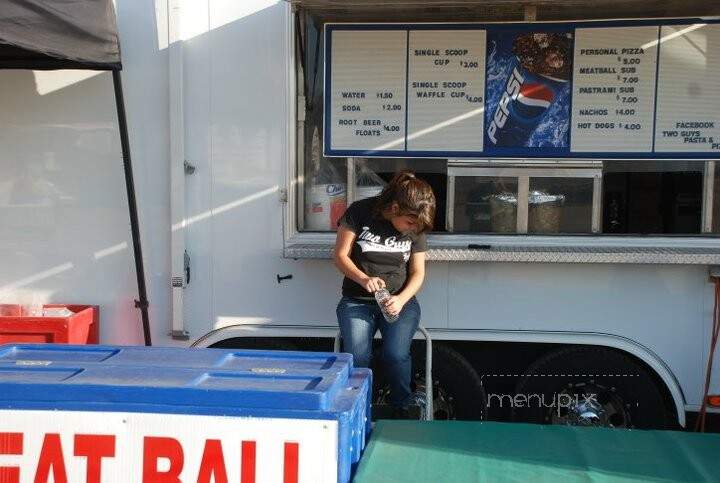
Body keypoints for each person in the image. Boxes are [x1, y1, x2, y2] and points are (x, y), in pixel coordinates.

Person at [334, 170, 436, 414]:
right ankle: (358, 409)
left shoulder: (415, 228)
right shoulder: (360, 211)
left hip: (400, 301)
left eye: (417, 226)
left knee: (395, 355)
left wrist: (401, 300)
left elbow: (418, 273)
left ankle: (403, 406)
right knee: (357, 357)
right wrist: (363, 278)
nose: (412, 229)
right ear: (395, 207)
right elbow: (339, 256)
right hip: (357, 301)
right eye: (410, 222)